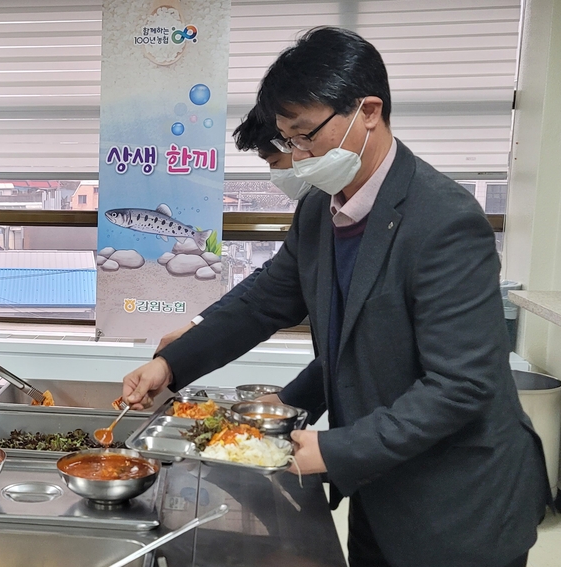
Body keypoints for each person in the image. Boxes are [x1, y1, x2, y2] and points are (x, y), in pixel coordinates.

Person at [123, 27, 549, 567]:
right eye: (288, 141)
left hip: (458, 502)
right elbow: (264, 301)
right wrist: (170, 363)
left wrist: (334, 449)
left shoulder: (445, 222)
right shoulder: (321, 211)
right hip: (382, 484)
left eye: (306, 136)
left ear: (368, 110)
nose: (298, 155)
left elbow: (461, 385)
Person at [156, 105, 325, 420]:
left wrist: (291, 401)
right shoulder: (317, 206)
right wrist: (179, 351)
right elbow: (266, 294)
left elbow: (364, 349)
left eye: (276, 161)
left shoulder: (428, 215)